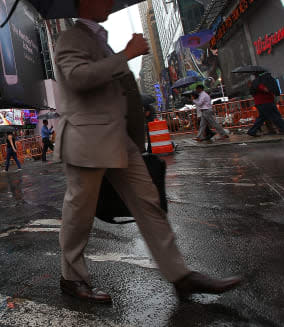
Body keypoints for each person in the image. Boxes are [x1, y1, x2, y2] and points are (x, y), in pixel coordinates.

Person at [53, 0, 241, 303]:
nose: (110, 2)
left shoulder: (99, 37)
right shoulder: (70, 37)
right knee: (80, 213)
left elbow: (114, 87)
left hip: (117, 138)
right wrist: (126, 55)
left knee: (148, 202)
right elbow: (79, 78)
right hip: (86, 139)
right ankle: (71, 278)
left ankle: (180, 275)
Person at [247, 71, 284, 136]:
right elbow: (265, 90)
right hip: (266, 102)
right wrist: (270, 89)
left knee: (262, 117)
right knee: (275, 116)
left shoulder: (254, 82)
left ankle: (252, 131)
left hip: (260, 103)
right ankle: (282, 129)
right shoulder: (260, 82)